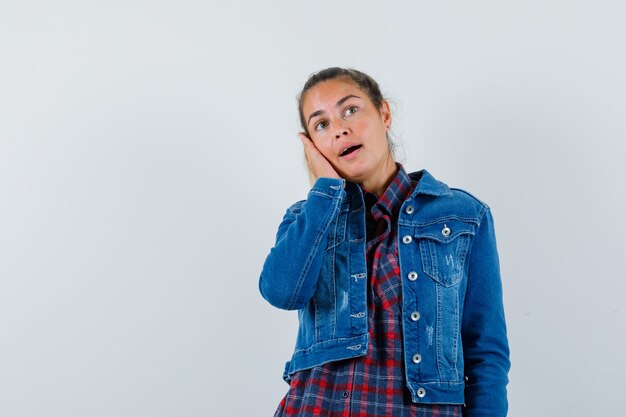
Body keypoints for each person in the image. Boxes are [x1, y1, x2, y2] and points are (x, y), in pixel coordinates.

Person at [259, 67, 510, 417]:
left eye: (350, 110)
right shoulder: (307, 218)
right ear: (313, 146)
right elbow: (282, 292)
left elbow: (486, 353)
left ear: (384, 113)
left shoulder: (464, 216)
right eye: (322, 124)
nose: (340, 129)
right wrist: (324, 193)